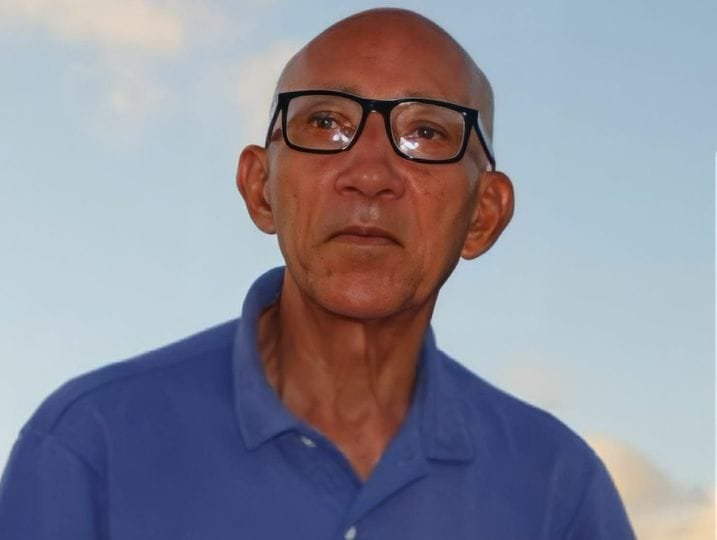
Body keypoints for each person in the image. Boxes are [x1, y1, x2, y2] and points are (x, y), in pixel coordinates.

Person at [0, 8, 635, 539]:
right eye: (326, 123)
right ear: (260, 188)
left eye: (425, 132)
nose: (371, 173)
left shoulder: (559, 493)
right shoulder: (89, 448)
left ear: (483, 216)